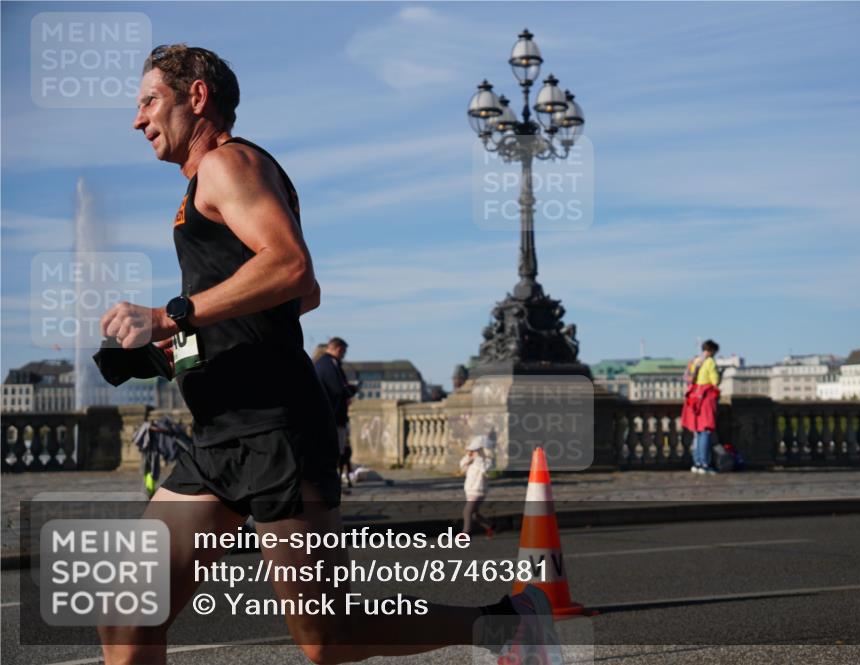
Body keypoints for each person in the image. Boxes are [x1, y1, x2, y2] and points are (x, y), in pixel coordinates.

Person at [97, 44, 557, 665]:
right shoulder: (218, 180)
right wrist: (176, 342)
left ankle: (508, 623)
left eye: (150, 101)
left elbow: (292, 269)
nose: (138, 119)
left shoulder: (228, 164)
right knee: (126, 614)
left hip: (275, 433)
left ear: (196, 97)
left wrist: (170, 314)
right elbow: (299, 298)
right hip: (220, 435)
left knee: (328, 637)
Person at [314, 337, 357, 489]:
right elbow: (338, 389)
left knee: (332, 452)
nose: (343, 356)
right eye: (343, 352)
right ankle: (332, 483)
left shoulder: (321, 363)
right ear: (338, 349)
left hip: (327, 415)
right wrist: (351, 391)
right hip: (334, 416)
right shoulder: (329, 364)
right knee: (336, 452)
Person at [681, 339, 722, 475]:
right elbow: (715, 381)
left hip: (693, 399)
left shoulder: (694, 361)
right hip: (705, 399)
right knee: (705, 432)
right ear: (712, 350)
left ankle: (696, 463)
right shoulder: (710, 362)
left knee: (697, 433)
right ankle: (704, 464)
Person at [460, 435, 495, 538]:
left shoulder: (487, 461)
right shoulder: (472, 459)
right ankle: (490, 526)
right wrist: (469, 457)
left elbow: (485, 470)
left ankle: (466, 532)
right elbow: (462, 466)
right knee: (474, 514)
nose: (474, 452)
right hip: (470, 489)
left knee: (467, 511)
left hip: (479, 490)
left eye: (477, 450)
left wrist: (478, 458)